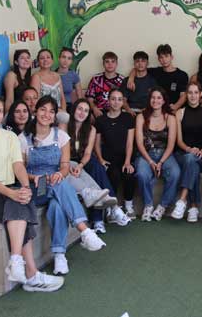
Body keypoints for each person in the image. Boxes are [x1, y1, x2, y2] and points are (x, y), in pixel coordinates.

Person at [0, 95, 63, 292]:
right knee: (19, 209)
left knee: (22, 202)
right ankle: (30, 274)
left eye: (0, 110)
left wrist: (25, 187)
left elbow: (18, 165)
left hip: (6, 190)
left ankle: (17, 262)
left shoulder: (9, 137)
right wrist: (12, 193)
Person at [19, 96, 106, 276]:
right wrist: (35, 177)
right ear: (35, 111)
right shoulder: (23, 138)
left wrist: (60, 173)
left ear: (54, 116)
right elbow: (19, 170)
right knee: (59, 185)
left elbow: (65, 166)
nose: (47, 114)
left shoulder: (61, 136)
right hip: (35, 186)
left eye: (51, 111)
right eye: (43, 110)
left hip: (55, 183)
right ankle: (84, 230)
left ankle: (59, 255)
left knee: (57, 205)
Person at [67, 98, 130, 234]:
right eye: (79, 109)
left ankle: (102, 217)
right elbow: (62, 152)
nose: (82, 113)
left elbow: (88, 153)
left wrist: (81, 165)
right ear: (73, 110)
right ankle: (108, 212)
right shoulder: (64, 126)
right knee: (94, 171)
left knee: (96, 167)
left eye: (86, 111)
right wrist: (72, 165)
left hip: (83, 160)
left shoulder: (91, 129)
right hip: (67, 161)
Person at [134, 88, 181, 221]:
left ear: (164, 101)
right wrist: (150, 161)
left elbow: (171, 145)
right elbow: (139, 143)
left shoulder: (170, 118)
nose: (155, 100)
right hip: (145, 154)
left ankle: (162, 206)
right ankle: (148, 205)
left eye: (159, 98)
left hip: (165, 154)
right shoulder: (141, 117)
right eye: (153, 97)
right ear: (149, 100)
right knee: (141, 174)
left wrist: (160, 162)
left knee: (175, 173)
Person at [170, 82, 202, 222]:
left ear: (200, 94)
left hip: (201, 155)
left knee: (193, 163)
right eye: (190, 93)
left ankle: (183, 201)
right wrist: (189, 149)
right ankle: (192, 207)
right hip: (182, 153)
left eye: (196, 92)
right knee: (190, 159)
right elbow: (179, 141)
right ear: (186, 95)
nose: (193, 96)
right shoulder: (179, 113)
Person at [94, 89, 138, 219]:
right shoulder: (101, 120)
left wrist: (128, 161)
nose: (116, 102)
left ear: (123, 102)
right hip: (108, 158)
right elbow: (97, 143)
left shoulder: (128, 118)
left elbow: (130, 143)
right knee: (113, 174)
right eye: (113, 99)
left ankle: (128, 205)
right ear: (108, 101)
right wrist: (101, 159)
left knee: (129, 174)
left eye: (119, 99)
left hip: (125, 157)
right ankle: (112, 208)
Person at [125, 44, 189, 111]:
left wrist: (174, 107)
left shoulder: (182, 75)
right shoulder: (156, 72)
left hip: (175, 109)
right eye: (161, 57)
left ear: (171, 57)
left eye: (166, 56)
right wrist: (131, 78)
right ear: (158, 59)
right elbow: (139, 69)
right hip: (158, 109)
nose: (164, 60)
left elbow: (184, 95)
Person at [86, 51, 124, 118]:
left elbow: (124, 100)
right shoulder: (96, 79)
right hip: (99, 111)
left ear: (116, 64)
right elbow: (90, 98)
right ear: (103, 64)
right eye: (107, 61)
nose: (110, 64)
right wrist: (94, 109)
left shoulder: (122, 80)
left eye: (113, 61)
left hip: (117, 111)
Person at [30, 49, 67, 113]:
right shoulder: (36, 77)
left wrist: (64, 111)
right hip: (44, 112)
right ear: (38, 62)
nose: (45, 60)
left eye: (48, 57)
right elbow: (35, 101)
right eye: (42, 58)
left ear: (52, 61)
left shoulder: (57, 76)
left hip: (59, 111)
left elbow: (62, 97)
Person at [56, 47, 83, 112]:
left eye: (69, 58)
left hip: (68, 105)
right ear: (59, 58)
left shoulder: (73, 75)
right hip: (55, 105)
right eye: (63, 57)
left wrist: (80, 108)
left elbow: (79, 96)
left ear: (71, 61)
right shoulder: (52, 74)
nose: (66, 60)